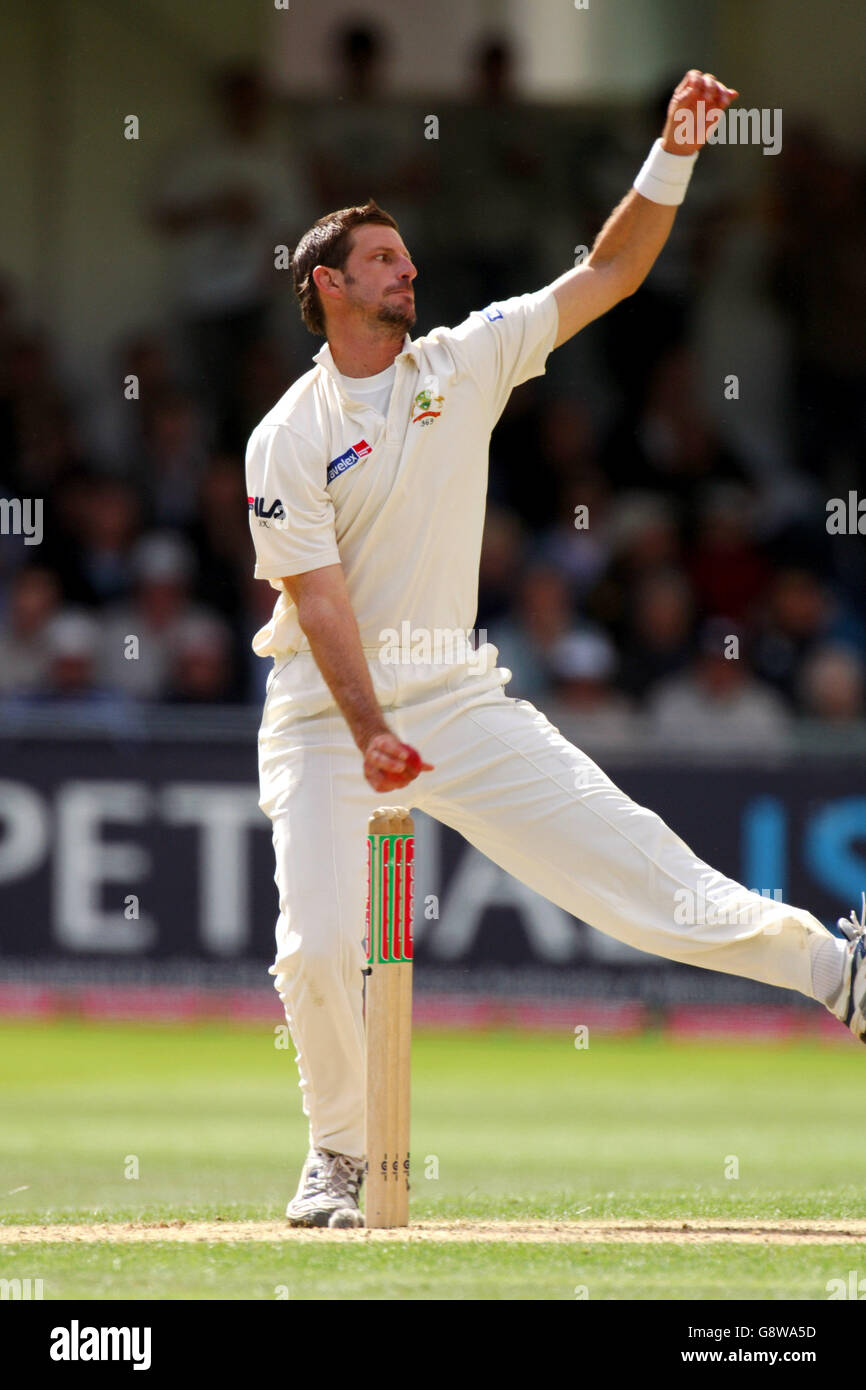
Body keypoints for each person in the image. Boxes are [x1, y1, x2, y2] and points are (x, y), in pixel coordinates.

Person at [245, 72, 865, 1228]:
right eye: (384, 260)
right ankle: (338, 1156)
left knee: (637, 878)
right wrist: (372, 730)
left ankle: (839, 974)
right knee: (318, 947)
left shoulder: (464, 360)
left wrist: (671, 151)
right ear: (327, 283)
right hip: (331, 719)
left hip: (456, 701)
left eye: (408, 257)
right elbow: (320, 604)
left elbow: (612, 272)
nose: (408, 272)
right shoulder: (287, 435)